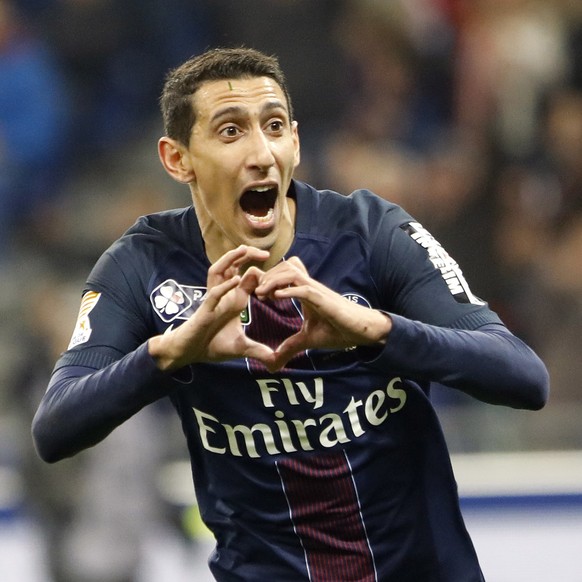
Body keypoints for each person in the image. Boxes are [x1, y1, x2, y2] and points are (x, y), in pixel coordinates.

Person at [32, 47, 549, 581]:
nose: (261, 153)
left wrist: (375, 331)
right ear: (176, 158)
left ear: (295, 143)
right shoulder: (142, 265)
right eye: (230, 131)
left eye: (274, 126)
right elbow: (55, 428)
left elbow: (524, 376)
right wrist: (171, 352)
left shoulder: (371, 235)